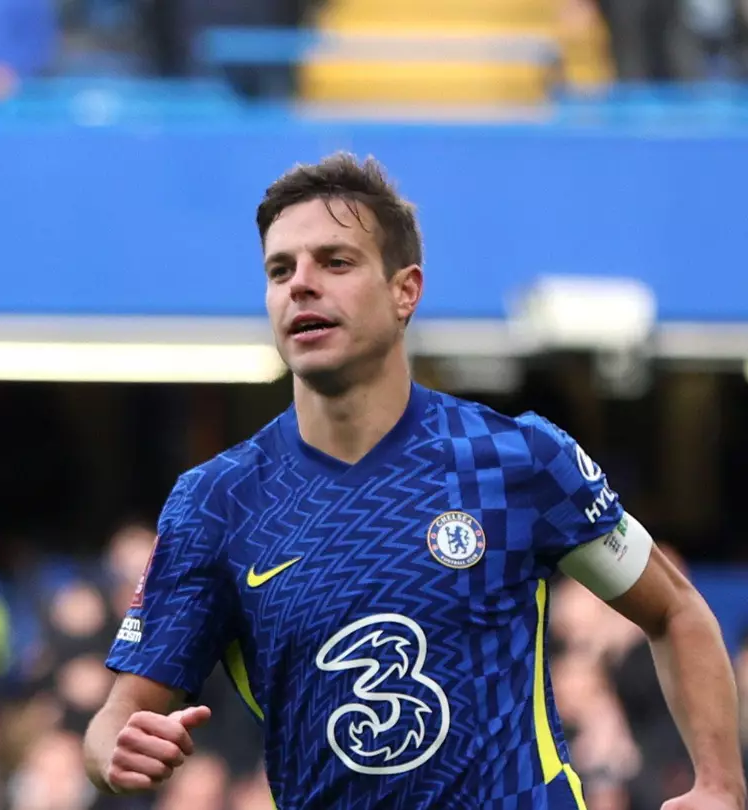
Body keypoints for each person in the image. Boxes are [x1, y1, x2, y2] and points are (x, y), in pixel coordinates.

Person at [83, 153, 746, 809]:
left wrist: (720, 784)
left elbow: (677, 610)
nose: (301, 284)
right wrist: (114, 749)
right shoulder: (216, 503)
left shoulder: (515, 460)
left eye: (334, 262)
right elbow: (118, 716)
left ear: (406, 290)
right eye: (280, 270)